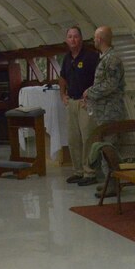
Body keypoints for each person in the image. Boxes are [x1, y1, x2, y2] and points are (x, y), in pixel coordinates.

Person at [82, 26, 127, 198]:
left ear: (100, 39)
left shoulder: (112, 59)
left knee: (110, 148)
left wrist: (90, 92)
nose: (93, 41)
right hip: (103, 112)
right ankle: (110, 181)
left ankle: (114, 184)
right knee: (104, 147)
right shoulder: (105, 58)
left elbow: (111, 85)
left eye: (95, 37)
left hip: (111, 112)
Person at [58, 26, 99, 186]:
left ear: (81, 39)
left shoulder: (91, 57)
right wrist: (62, 94)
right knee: (73, 139)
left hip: (86, 103)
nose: (73, 39)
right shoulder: (67, 58)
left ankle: (90, 172)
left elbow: (99, 78)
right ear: (66, 40)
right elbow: (62, 78)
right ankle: (78, 171)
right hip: (72, 102)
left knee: (87, 137)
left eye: (76, 36)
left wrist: (91, 94)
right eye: (70, 37)